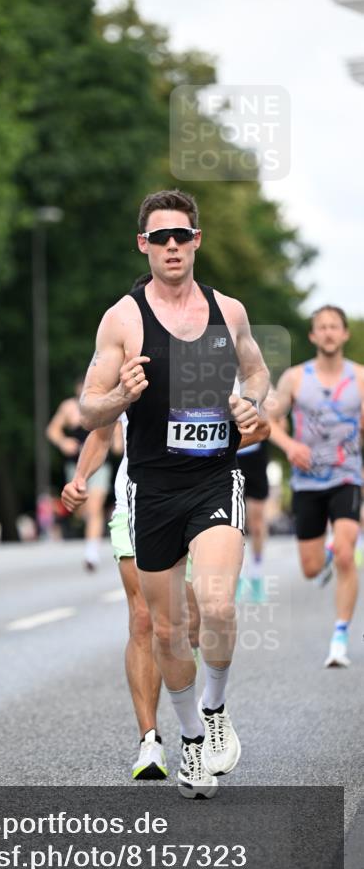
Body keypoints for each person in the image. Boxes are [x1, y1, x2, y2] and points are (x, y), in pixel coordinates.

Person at [80, 189, 269, 799]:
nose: (171, 246)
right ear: (143, 245)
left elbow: (257, 369)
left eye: (180, 236)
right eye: (159, 237)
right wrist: (121, 396)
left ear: (196, 241)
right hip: (152, 487)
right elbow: (89, 409)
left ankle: (214, 711)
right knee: (166, 629)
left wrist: (251, 402)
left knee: (216, 605)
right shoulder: (123, 319)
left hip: (214, 477)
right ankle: (189, 739)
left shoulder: (228, 311)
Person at [268, 305, 363, 668]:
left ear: (344, 333)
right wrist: (290, 446)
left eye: (334, 326)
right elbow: (269, 421)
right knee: (310, 568)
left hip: (347, 476)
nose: (328, 332)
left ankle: (340, 637)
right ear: (312, 336)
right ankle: (323, 557)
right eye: (321, 327)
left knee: (346, 552)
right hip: (307, 481)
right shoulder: (295, 378)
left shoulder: (359, 377)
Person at [47, 379, 113, 571]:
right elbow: (52, 430)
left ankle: (91, 553)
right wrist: (63, 442)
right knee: (81, 508)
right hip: (76, 465)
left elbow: (116, 430)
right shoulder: (69, 407)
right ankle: (87, 525)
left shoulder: (106, 404)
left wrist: (118, 443)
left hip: (100, 463)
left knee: (95, 507)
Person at [235, 408, 271, 604]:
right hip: (230, 457)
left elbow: (275, 422)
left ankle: (256, 573)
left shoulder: (259, 391)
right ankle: (237, 576)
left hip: (255, 459)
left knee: (256, 524)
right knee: (234, 524)